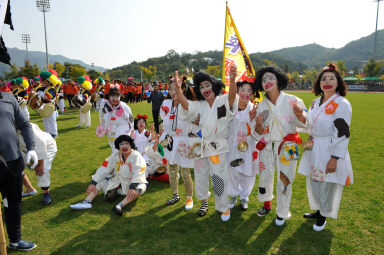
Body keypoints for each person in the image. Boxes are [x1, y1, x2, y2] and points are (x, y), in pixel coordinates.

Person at [176, 68, 238, 222]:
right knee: (200, 175)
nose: (204, 90)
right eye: (201, 87)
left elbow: (232, 98)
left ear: (213, 85)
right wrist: (178, 90)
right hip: (198, 144)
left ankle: (223, 206)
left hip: (217, 145)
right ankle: (203, 202)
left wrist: (232, 80)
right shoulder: (199, 105)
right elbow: (186, 107)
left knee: (218, 176)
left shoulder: (222, 101)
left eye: (207, 85)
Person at [298, 63, 353, 231]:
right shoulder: (316, 102)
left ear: (338, 82)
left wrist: (335, 158)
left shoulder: (341, 104)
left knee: (328, 182)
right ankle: (317, 209)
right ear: (318, 83)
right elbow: (310, 123)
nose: (327, 82)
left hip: (330, 147)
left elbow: (343, 133)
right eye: (323, 79)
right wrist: (300, 115)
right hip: (315, 146)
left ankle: (324, 214)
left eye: (331, 78)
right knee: (315, 179)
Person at [252, 66, 308, 226]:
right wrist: (258, 125)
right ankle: (266, 205)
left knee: (285, 180)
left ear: (278, 80)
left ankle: (282, 212)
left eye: (270, 78)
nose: (267, 82)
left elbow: (306, 124)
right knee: (265, 176)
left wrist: (300, 115)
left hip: (288, 145)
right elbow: (258, 132)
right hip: (267, 146)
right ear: (260, 85)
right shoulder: (261, 106)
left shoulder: (294, 100)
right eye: (263, 80)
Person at [70, 135, 148, 216]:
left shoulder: (136, 155)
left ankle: (119, 206)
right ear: (118, 146)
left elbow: (139, 170)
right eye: (121, 144)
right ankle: (86, 202)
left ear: (131, 145)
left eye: (126, 143)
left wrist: (133, 186)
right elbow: (104, 167)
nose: (124, 146)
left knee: (137, 190)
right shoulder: (116, 155)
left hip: (134, 181)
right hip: (119, 179)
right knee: (101, 182)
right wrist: (93, 182)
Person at [0, 89, 38, 251]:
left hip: (13, 161)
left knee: (12, 203)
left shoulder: (8, 98)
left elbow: (24, 124)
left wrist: (31, 148)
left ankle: (15, 240)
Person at [160, 75, 195, 210]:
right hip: (170, 140)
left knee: (185, 172)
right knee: (172, 170)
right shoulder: (166, 104)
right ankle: (175, 194)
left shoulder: (187, 104)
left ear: (183, 89)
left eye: (176, 89)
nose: (173, 92)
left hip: (184, 141)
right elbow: (165, 120)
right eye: (170, 89)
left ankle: (189, 198)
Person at [227, 74, 260, 211]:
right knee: (233, 170)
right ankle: (233, 195)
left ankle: (244, 197)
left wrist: (252, 119)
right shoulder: (230, 106)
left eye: (249, 91)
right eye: (243, 90)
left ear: (253, 94)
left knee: (248, 172)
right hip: (232, 145)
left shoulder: (254, 108)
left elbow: (257, 131)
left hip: (249, 146)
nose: (246, 93)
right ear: (237, 90)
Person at [17, 123, 57, 205]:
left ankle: (46, 193)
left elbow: (41, 143)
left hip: (47, 146)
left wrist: (40, 163)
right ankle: (29, 189)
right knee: (16, 167)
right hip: (26, 149)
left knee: (42, 169)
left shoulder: (26, 126)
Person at [97, 84, 134, 152]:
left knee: (120, 148)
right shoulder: (104, 105)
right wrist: (103, 127)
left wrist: (132, 130)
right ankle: (117, 160)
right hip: (111, 129)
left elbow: (131, 119)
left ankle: (122, 160)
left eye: (117, 96)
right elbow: (101, 116)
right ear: (108, 96)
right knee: (113, 147)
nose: (114, 99)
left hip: (123, 129)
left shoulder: (123, 106)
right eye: (112, 96)